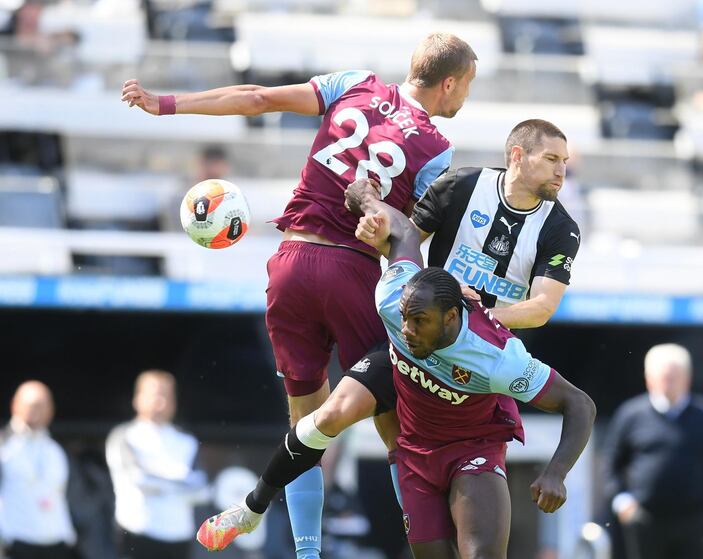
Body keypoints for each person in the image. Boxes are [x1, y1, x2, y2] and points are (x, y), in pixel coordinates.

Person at [122, 32, 477, 559]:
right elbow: (405, 237)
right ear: (448, 83)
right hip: (351, 273)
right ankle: (429, 551)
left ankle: (306, 554)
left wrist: (165, 104)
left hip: (289, 265)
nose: (464, 99)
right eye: (466, 87)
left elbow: (258, 98)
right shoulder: (436, 151)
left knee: (305, 427)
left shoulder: (355, 84)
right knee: (398, 425)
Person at [196, 118, 581, 552]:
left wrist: (478, 312)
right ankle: (251, 509)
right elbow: (402, 238)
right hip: (415, 341)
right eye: (551, 159)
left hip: (474, 362)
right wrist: (375, 231)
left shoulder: (560, 227)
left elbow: (544, 307)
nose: (561, 170)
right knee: (329, 415)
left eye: (564, 161)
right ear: (517, 155)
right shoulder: (462, 186)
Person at [603, 344, 703, 559]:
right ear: (648, 378)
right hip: (644, 521)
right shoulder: (630, 414)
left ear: (688, 378)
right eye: (662, 377)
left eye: (673, 377)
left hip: (695, 522)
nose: (668, 383)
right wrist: (623, 502)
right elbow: (611, 465)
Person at [106, 370, 208, 559]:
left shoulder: (187, 442)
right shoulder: (124, 436)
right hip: (137, 534)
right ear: (137, 398)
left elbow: (201, 489)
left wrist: (158, 476)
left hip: (179, 538)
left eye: (167, 396)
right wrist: (178, 479)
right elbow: (138, 479)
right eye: (155, 395)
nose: (161, 402)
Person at [0, 381, 77, 559]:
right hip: (16, 544)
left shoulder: (56, 450)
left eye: (44, 405)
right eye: (32, 405)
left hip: (57, 545)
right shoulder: (4, 446)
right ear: (15, 405)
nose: (38, 410)